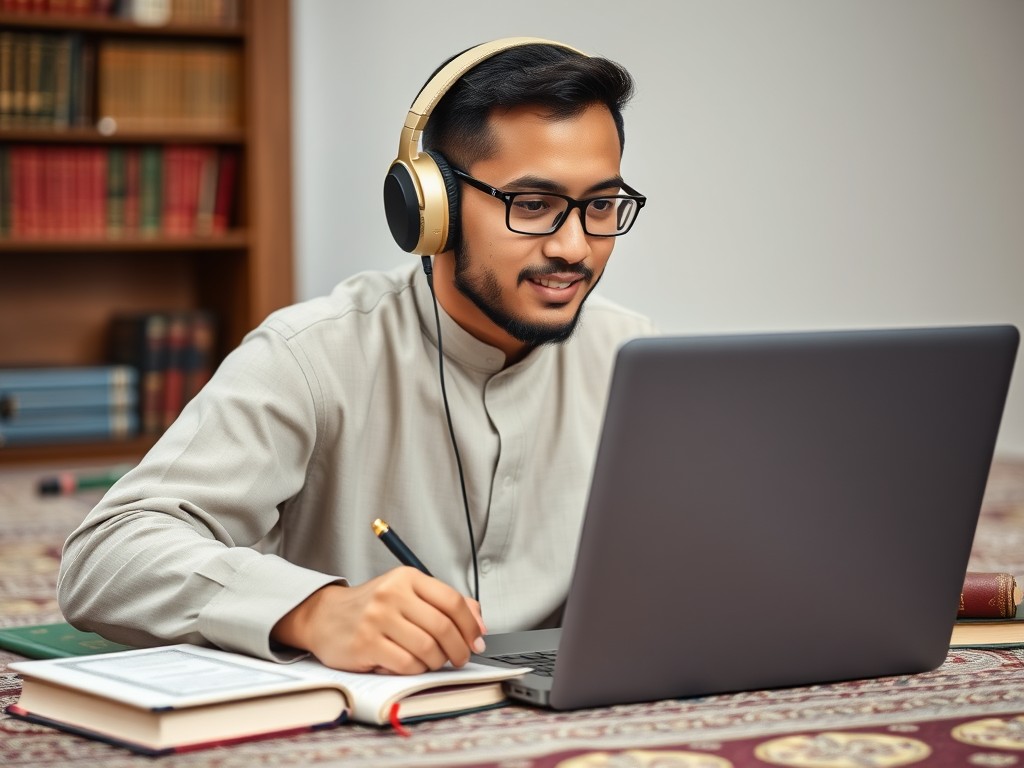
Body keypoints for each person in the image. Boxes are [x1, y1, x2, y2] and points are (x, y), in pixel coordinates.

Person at [57, 38, 655, 675]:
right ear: (433, 206)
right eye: (533, 206)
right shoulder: (310, 355)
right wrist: (313, 611)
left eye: (599, 207)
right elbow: (104, 558)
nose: (575, 247)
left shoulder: (634, 358)